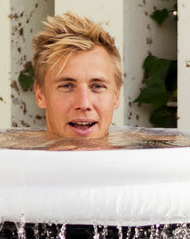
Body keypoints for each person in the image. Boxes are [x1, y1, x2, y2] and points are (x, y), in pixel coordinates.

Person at [32, 11, 122, 142]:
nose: (84, 104)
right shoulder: (11, 158)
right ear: (40, 94)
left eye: (97, 86)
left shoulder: (147, 156)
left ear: (116, 95)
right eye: (67, 86)